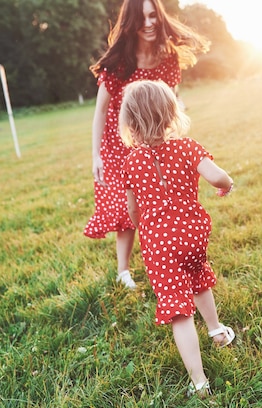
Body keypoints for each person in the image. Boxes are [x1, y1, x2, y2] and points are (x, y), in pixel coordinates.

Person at [119, 79, 235, 397]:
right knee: (200, 278)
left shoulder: (131, 163)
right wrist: (227, 184)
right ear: (172, 113)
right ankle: (217, 332)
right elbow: (216, 176)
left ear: (131, 122)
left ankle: (199, 382)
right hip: (194, 235)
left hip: (160, 245)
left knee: (178, 311)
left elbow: (132, 213)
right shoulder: (188, 147)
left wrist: (144, 223)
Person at [84, 0, 209, 289]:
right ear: (130, 23)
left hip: (156, 144)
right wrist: (96, 156)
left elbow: (172, 105)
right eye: (142, 18)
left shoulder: (168, 59)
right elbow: (100, 111)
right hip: (118, 145)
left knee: (165, 203)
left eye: (153, 15)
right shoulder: (119, 64)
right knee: (124, 209)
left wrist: (175, 144)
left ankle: (175, 254)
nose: (149, 23)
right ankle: (123, 270)